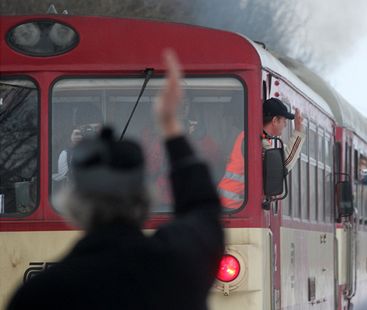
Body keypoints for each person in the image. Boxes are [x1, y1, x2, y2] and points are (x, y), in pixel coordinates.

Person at [7, 50, 224, 310]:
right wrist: (170, 126)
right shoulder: (179, 268)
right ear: (144, 198)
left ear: (73, 207)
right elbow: (203, 210)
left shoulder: (38, 295)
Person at [218, 97, 305, 209]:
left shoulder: (260, 138)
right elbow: (284, 165)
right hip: (233, 204)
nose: (285, 125)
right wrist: (298, 132)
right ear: (275, 121)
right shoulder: (256, 140)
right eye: (284, 121)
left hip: (232, 202)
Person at [52, 104, 103, 183]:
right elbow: (66, 185)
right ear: (78, 129)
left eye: (96, 128)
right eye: (87, 128)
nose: (91, 132)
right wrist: (74, 147)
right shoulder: (66, 155)